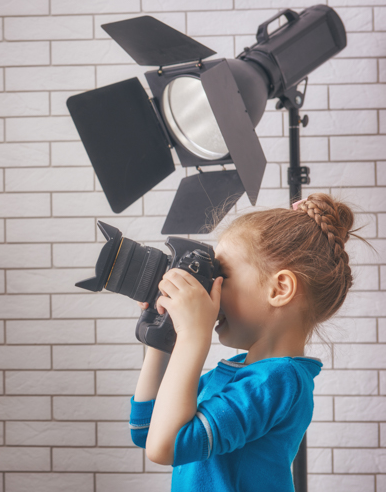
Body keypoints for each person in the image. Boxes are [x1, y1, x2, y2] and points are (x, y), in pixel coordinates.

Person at [130, 193, 358, 491]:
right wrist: (162, 339)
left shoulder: (279, 380)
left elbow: (166, 447)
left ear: (280, 289)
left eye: (222, 275)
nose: (212, 288)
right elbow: (147, 430)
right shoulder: (237, 372)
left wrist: (193, 336)